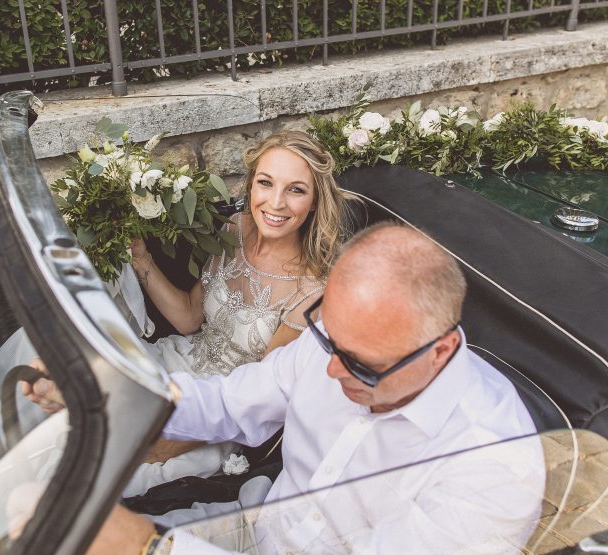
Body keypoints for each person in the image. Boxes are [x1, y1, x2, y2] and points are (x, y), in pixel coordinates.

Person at [85, 223, 543, 555]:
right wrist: (115, 391)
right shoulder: (334, 344)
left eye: (363, 365)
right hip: (253, 528)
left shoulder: (495, 463)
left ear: (440, 351)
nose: (330, 371)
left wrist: (151, 549)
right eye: (328, 340)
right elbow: (228, 402)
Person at [25, 130, 354, 496]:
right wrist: (142, 260)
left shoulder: (313, 290)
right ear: (251, 185)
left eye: (296, 190)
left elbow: (259, 398)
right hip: (176, 361)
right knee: (66, 408)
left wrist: (168, 443)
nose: (275, 203)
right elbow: (189, 318)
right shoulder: (235, 227)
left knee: (98, 475)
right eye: (266, 183)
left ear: (314, 202)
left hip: (217, 417)